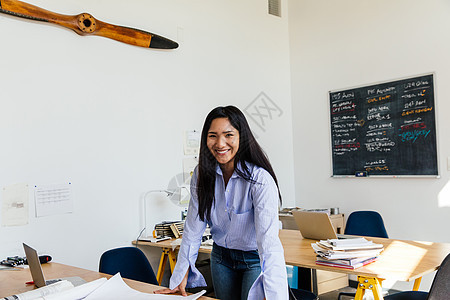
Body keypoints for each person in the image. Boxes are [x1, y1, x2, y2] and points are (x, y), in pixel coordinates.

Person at [155, 106, 288, 299]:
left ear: (241, 137)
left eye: (228, 135)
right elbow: (193, 228)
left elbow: (269, 243)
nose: (220, 143)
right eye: (213, 136)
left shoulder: (259, 179)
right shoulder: (202, 175)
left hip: (254, 260)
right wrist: (180, 275)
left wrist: (275, 294)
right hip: (221, 259)